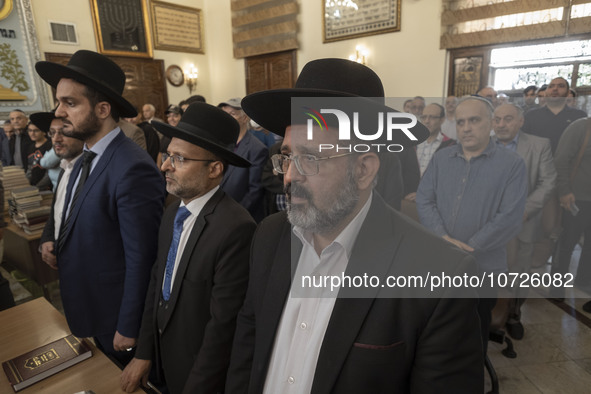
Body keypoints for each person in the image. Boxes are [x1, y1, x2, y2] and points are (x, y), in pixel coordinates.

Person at [226, 58, 484, 394]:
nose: (289, 176)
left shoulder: (440, 275)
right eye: (287, 157)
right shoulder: (269, 235)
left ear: (363, 169)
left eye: (310, 158)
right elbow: (248, 344)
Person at [35, 49, 166, 365]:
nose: (60, 112)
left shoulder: (132, 167)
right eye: (59, 102)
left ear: (103, 108)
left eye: (70, 103)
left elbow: (142, 258)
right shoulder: (86, 158)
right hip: (88, 307)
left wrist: (129, 325)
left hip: (117, 321)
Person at [120, 102, 256, 394]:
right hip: (164, 359)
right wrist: (144, 352)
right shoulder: (173, 212)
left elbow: (222, 327)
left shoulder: (236, 229)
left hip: (199, 374)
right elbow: (158, 282)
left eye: (179, 159)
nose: (165, 166)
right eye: (169, 155)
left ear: (214, 169)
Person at [416, 96, 528, 353]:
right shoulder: (442, 158)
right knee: (437, 328)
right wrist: (443, 238)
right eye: (461, 122)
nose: (466, 127)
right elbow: (424, 199)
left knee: (474, 331)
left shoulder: (511, 165)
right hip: (440, 262)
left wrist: (468, 248)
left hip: (483, 268)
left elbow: (509, 217)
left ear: (490, 123)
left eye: (474, 120)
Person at [492, 104, 556, 339]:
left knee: (518, 273)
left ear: (520, 121)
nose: (501, 124)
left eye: (507, 119)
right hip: (485, 224)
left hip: (523, 222)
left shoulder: (539, 145)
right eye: (497, 119)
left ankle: (513, 315)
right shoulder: (482, 143)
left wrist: (524, 210)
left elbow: (548, 182)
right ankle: (486, 313)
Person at [550, 117, 591, 300]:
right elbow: (561, 160)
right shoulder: (581, 127)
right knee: (567, 244)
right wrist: (564, 191)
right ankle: (557, 287)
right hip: (576, 199)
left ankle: (584, 281)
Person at [40, 115, 84, 269]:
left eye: (64, 132)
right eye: (52, 133)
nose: (56, 139)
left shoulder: (93, 171)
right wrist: (47, 239)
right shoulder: (64, 169)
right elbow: (55, 213)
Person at [218, 98, 268, 222]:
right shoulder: (221, 144)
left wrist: (234, 215)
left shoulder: (257, 148)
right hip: (219, 211)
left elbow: (255, 191)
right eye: (225, 114)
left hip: (242, 217)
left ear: (245, 118)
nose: (227, 118)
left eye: (232, 114)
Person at [523, 77, 587, 154]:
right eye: (551, 86)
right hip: (538, 163)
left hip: (569, 163)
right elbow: (524, 144)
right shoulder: (531, 116)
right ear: (546, 92)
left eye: (561, 86)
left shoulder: (579, 116)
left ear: (567, 93)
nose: (555, 89)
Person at [25, 119, 53, 187]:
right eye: (30, 130)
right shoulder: (31, 147)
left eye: (36, 130)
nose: (32, 133)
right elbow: (30, 168)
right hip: (33, 186)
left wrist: (37, 187)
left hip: (47, 187)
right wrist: (26, 183)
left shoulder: (50, 146)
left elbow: (49, 173)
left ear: (44, 132)